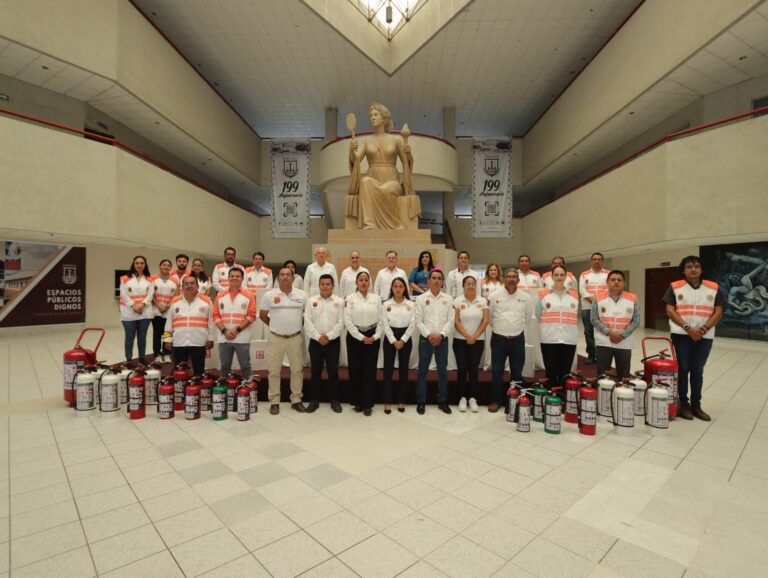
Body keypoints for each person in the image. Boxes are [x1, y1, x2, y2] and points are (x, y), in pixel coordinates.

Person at [663, 256, 723, 421]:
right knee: (683, 369)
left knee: (697, 370)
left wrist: (703, 329)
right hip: (682, 334)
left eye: (696, 266)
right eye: (689, 266)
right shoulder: (675, 287)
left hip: (705, 336)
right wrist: (688, 328)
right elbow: (670, 310)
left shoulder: (713, 287)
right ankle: (684, 404)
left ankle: (697, 405)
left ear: (701, 269)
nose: (693, 269)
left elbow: (718, 311)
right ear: (683, 270)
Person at [348, 102, 415, 230]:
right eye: (371, 115)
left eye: (376, 114)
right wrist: (351, 150)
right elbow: (356, 159)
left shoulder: (396, 140)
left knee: (387, 190)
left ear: (384, 118)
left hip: (391, 178)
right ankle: (370, 224)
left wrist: (409, 153)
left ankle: (395, 224)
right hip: (372, 176)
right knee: (365, 181)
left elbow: (406, 163)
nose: (372, 117)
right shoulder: (366, 140)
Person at [260, 267, 307, 414]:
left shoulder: (302, 295)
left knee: (297, 371)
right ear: (278, 278)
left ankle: (296, 400)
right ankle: (274, 401)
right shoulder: (269, 295)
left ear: (293, 278)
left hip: (295, 338)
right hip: (276, 338)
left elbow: (307, 315)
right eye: (282, 275)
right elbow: (262, 315)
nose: (285, 277)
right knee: (274, 371)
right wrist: (275, 326)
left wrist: (296, 325)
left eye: (288, 275)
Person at [488, 269, 532, 412]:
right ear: (503, 279)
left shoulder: (526, 297)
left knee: (517, 372)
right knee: (497, 372)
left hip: (517, 339)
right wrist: (501, 329)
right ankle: (496, 400)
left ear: (518, 280)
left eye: (514, 277)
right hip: (498, 339)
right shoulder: (494, 296)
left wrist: (514, 330)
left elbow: (527, 318)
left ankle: (516, 401)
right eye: (508, 277)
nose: (511, 279)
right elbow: (489, 318)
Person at [415, 269, 454, 415]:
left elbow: (451, 320)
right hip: (426, 340)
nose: (436, 280)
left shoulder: (448, 299)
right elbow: (418, 320)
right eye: (434, 278)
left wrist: (441, 335)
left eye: (439, 278)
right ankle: (421, 402)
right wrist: (429, 336)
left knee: (443, 372)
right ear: (428, 281)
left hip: (442, 340)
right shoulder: (420, 299)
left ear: (443, 282)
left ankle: (442, 401)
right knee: (422, 371)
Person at [304, 274, 344, 413]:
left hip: (333, 342)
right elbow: (307, 321)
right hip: (315, 342)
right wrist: (317, 336)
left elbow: (341, 322)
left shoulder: (339, 301)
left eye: (328, 284)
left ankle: (335, 401)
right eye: (323, 284)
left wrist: (329, 336)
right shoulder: (311, 301)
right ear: (318, 285)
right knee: (315, 372)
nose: (325, 286)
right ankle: (314, 401)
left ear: (333, 286)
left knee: (333, 372)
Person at [344, 271, 383, 416]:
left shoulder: (377, 298)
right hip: (355, 338)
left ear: (370, 283)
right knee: (356, 370)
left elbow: (381, 320)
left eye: (366, 280)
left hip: (373, 337)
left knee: (369, 371)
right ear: (356, 282)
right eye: (361, 280)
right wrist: (361, 337)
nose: (364, 282)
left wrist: (376, 336)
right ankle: (357, 402)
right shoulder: (350, 298)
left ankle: (367, 403)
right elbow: (347, 321)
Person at [591, 270, 639, 380]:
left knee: (624, 375)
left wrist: (621, 335)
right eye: (612, 280)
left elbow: (636, 320)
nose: (616, 282)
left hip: (624, 342)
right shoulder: (598, 297)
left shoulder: (633, 298)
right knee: (602, 375)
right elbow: (594, 319)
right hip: (603, 342)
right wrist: (611, 333)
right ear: (607, 282)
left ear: (624, 283)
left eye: (619, 280)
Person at [536, 265, 579, 388]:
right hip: (549, 338)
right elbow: (538, 314)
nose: (559, 277)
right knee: (550, 372)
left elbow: (575, 314)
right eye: (556, 275)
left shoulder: (574, 295)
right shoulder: (543, 294)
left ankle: (563, 398)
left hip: (568, 338)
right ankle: (552, 401)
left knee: (565, 373)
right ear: (552, 277)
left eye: (562, 275)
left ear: (566, 277)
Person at [164, 275, 214, 375]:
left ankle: (197, 388)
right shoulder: (175, 301)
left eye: (192, 283)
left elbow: (211, 322)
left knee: (199, 371)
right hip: (179, 341)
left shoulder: (207, 301)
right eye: (186, 284)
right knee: (179, 372)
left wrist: (211, 338)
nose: (189, 286)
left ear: (197, 286)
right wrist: (167, 340)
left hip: (198, 342)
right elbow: (169, 322)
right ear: (182, 286)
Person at [453, 276, 489, 412]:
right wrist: (468, 336)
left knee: (473, 370)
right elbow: (456, 321)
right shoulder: (457, 301)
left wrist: (475, 336)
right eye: (468, 284)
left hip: (478, 340)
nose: (470, 286)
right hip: (460, 340)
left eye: (473, 284)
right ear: (463, 286)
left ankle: (473, 398)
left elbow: (485, 320)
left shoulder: (483, 301)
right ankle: (462, 397)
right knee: (462, 369)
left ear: (476, 286)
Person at [212, 268, 256, 379]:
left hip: (242, 336)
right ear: (228, 278)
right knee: (225, 366)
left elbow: (251, 316)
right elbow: (215, 315)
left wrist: (236, 330)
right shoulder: (220, 295)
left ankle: (248, 388)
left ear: (242, 279)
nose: (234, 278)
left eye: (237, 276)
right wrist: (225, 331)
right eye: (232, 276)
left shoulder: (249, 295)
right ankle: (225, 391)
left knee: (245, 365)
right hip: (224, 337)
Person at [381, 277, 416, 414]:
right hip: (390, 337)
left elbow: (413, 323)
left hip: (405, 337)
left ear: (405, 289)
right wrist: (393, 340)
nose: (398, 289)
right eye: (395, 286)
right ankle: (387, 401)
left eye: (401, 286)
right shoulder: (386, 304)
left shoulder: (411, 304)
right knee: (388, 371)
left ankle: (402, 400)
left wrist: (403, 340)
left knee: (403, 371)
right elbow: (384, 323)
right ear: (391, 288)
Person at [119, 256, 154, 365]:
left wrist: (142, 305)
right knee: (129, 336)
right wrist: (134, 306)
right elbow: (123, 294)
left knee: (142, 336)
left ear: (145, 265)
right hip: (129, 312)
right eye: (137, 263)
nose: (139, 265)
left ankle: (142, 357)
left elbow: (150, 294)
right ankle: (129, 358)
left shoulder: (150, 279)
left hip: (145, 312)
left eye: (142, 263)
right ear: (133, 264)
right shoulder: (125, 278)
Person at [579, 252, 610, 364]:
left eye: (599, 259)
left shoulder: (608, 274)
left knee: (603, 331)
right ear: (591, 261)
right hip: (587, 307)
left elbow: (609, 289)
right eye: (594, 259)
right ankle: (591, 354)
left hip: (603, 308)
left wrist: (598, 300)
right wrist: (592, 299)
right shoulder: (584, 274)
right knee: (588, 332)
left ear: (602, 261)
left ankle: (603, 354)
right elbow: (582, 290)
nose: (596, 261)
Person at [150, 259, 179, 363]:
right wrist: (158, 305)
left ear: (170, 268)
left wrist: (166, 306)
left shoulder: (174, 281)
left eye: (168, 265)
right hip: (156, 310)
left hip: (168, 311)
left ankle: (167, 354)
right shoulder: (153, 279)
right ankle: (157, 354)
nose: (166, 267)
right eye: (164, 265)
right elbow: (151, 295)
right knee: (157, 334)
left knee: (167, 333)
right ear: (160, 266)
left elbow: (176, 295)